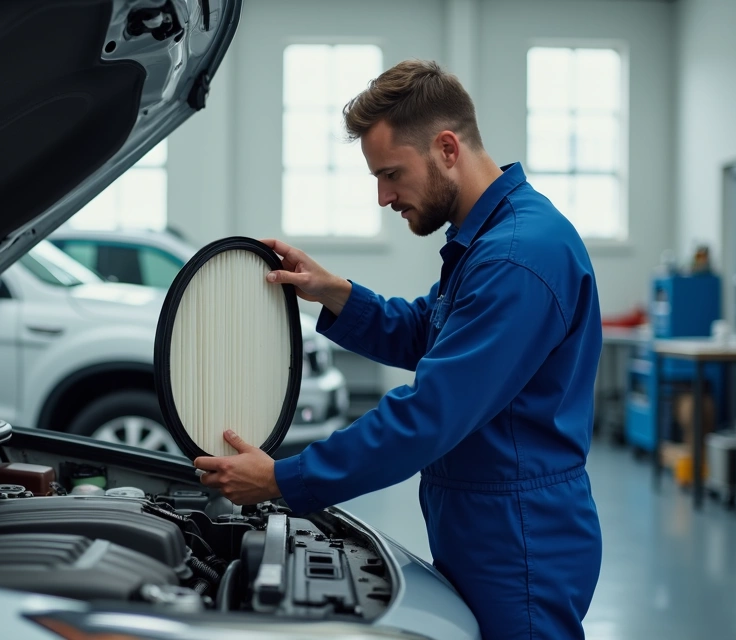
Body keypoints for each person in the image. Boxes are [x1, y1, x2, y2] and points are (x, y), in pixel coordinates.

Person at [193, 59, 603, 640]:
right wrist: (334, 293)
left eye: (391, 173)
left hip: (518, 540)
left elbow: (430, 413)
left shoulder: (517, 257)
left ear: (446, 147)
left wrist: (286, 479)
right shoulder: (490, 238)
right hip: (488, 524)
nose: (384, 197)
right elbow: (428, 332)